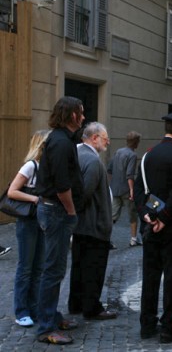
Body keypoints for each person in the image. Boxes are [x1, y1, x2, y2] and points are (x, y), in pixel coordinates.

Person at [133, 109, 172, 343]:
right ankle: (170, 327)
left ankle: (146, 325)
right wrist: (165, 219)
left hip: (150, 226)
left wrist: (147, 216)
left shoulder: (149, 155)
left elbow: (138, 191)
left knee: (150, 277)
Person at [35, 96, 85, 345]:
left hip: (55, 211)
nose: (84, 117)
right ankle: (46, 327)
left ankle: (52, 316)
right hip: (57, 211)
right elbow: (62, 185)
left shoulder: (63, 140)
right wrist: (72, 211)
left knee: (55, 268)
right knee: (53, 271)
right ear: (72, 115)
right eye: (81, 112)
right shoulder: (61, 142)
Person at [68, 122, 117, 321]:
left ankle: (76, 303)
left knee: (79, 266)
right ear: (94, 138)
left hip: (82, 226)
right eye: (105, 139)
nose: (108, 142)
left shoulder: (76, 154)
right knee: (93, 268)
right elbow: (84, 194)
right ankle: (92, 307)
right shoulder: (93, 161)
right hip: (94, 225)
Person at [7, 129, 50, 328]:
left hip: (42, 220)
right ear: (42, 145)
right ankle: (21, 311)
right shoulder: (30, 166)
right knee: (26, 267)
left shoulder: (47, 167)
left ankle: (33, 308)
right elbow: (12, 191)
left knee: (39, 267)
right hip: (28, 221)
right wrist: (34, 198)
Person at [108, 131, 142, 247]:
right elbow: (130, 175)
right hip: (126, 190)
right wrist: (132, 190)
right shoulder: (132, 155)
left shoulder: (118, 152)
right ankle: (133, 239)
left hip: (115, 188)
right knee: (133, 214)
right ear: (136, 142)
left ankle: (107, 240)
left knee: (112, 216)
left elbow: (110, 169)